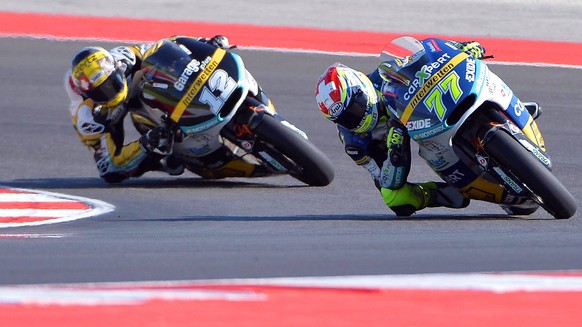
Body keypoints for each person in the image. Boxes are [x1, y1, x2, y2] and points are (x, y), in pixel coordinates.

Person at [315, 41, 493, 216]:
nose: (354, 120)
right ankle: (435, 194)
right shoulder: (355, 143)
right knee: (394, 199)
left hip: (427, 110)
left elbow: (429, 53)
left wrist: (459, 48)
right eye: (345, 119)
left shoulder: (384, 73)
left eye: (354, 109)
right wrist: (395, 151)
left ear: (362, 88)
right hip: (404, 139)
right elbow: (384, 181)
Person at [64, 35, 270, 183]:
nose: (109, 93)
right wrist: (145, 144)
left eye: (111, 84)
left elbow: (169, 46)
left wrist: (204, 43)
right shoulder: (87, 116)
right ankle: (163, 160)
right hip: (120, 119)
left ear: (116, 68)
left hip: (146, 90)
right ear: (88, 95)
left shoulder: (124, 57)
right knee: (113, 174)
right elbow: (109, 165)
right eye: (101, 92)